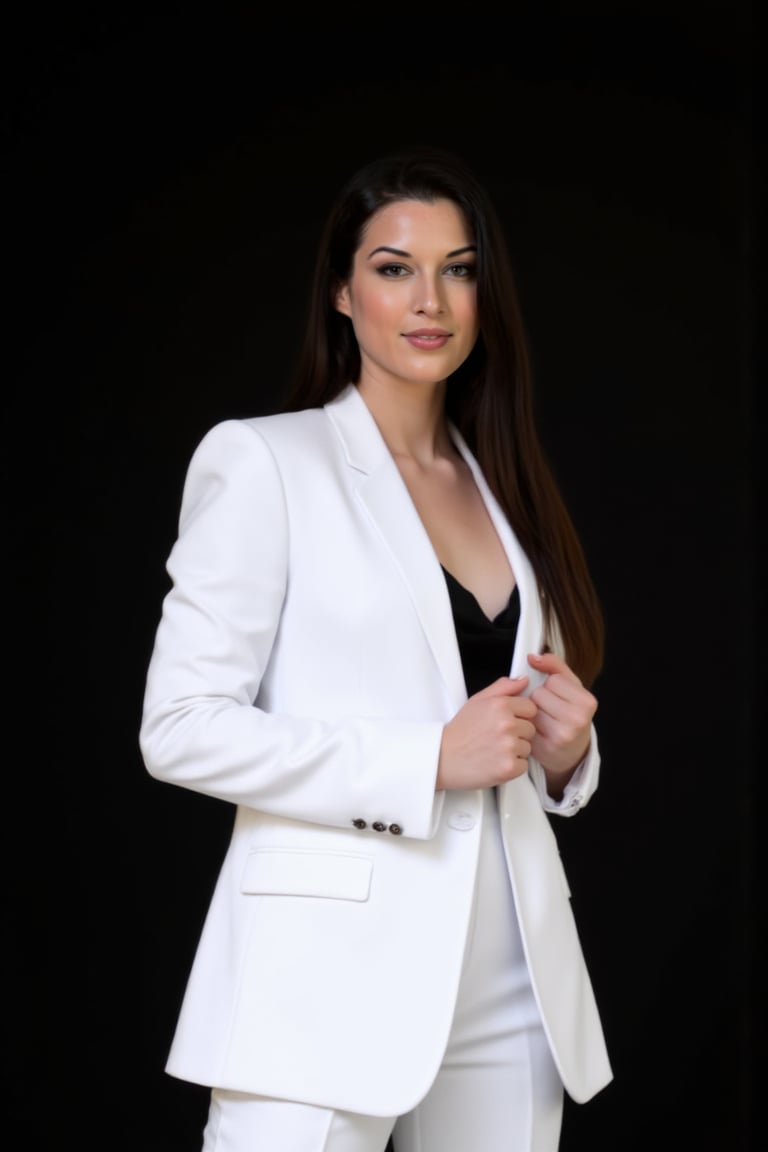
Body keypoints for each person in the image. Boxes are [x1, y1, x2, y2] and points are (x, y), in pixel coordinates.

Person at [139, 144, 613, 1152]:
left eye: (460, 268)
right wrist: (424, 761)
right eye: (395, 267)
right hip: (319, 980)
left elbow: (518, 738)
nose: (429, 297)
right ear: (343, 295)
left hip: (510, 981)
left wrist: (567, 756)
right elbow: (178, 730)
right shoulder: (265, 461)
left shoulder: (507, 486)